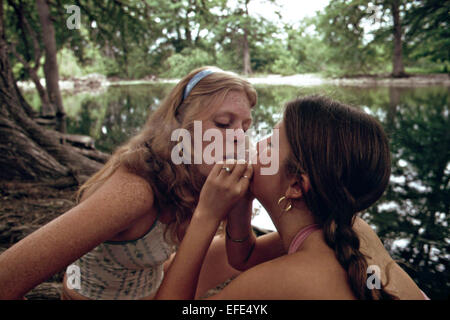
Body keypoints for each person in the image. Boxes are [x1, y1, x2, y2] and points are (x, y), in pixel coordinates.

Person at [0, 66, 257, 300]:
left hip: (152, 286)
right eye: (223, 124)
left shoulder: (195, 176)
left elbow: (242, 254)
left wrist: (244, 200)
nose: (239, 139)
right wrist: (208, 213)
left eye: (245, 128)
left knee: (268, 252)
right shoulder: (134, 192)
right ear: (181, 125)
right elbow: (6, 278)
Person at [154, 95, 430, 300]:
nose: (254, 145)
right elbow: (244, 257)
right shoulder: (349, 229)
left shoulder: (280, 280)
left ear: (296, 186)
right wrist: (241, 204)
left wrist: (207, 215)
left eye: (271, 143)